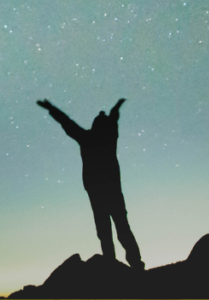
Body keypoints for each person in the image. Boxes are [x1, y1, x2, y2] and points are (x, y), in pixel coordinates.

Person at [37, 98, 145, 270]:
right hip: (112, 193)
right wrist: (115, 109)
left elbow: (67, 123)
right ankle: (135, 265)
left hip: (98, 194)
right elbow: (111, 120)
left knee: (106, 233)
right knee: (121, 229)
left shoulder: (87, 138)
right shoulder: (109, 138)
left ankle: (113, 268)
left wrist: (51, 108)